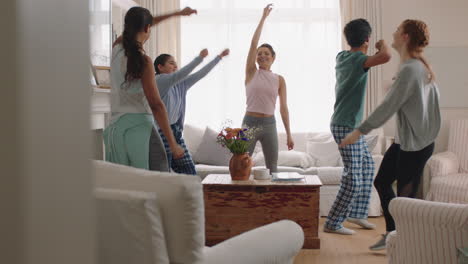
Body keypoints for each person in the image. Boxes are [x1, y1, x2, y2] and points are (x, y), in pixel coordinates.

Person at [339, 19, 441, 250]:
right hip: (409, 141)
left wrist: (358, 132)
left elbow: (387, 107)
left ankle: (408, 243)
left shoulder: (411, 68)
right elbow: (410, 101)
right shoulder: (415, 66)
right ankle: (395, 235)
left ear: (405, 37)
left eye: (397, 30)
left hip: (417, 145)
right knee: (382, 181)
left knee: (406, 200)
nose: (393, 33)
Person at [103, 6, 197, 171]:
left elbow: (142, 25)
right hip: (140, 129)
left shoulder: (116, 48)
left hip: (116, 130)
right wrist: (173, 143)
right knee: (158, 180)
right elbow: (156, 104)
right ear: (147, 28)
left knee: (126, 185)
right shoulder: (144, 61)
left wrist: (176, 13)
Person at [324, 18, 392, 235]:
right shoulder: (358, 60)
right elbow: (386, 56)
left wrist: (368, 44)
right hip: (345, 125)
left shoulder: (342, 56)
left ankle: (358, 213)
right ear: (367, 39)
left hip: (348, 124)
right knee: (353, 176)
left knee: (367, 166)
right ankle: (333, 222)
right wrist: (381, 45)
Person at [154, 48, 230, 174]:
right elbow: (182, 73)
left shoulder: (180, 84)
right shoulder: (159, 80)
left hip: (176, 132)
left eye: (176, 63)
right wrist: (199, 58)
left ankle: (185, 193)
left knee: (190, 172)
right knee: (164, 172)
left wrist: (219, 57)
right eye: (171, 63)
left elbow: (200, 74)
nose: (176, 66)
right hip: (161, 132)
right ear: (160, 67)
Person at [243, 4, 294, 174]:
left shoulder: (279, 80)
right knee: (242, 165)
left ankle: (270, 201)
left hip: (269, 124)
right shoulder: (251, 72)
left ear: (273, 58)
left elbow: (284, 109)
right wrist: (263, 18)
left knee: (272, 168)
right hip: (250, 123)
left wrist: (288, 134)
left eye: (266, 53)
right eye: (259, 53)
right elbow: (253, 43)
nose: (262, 55)